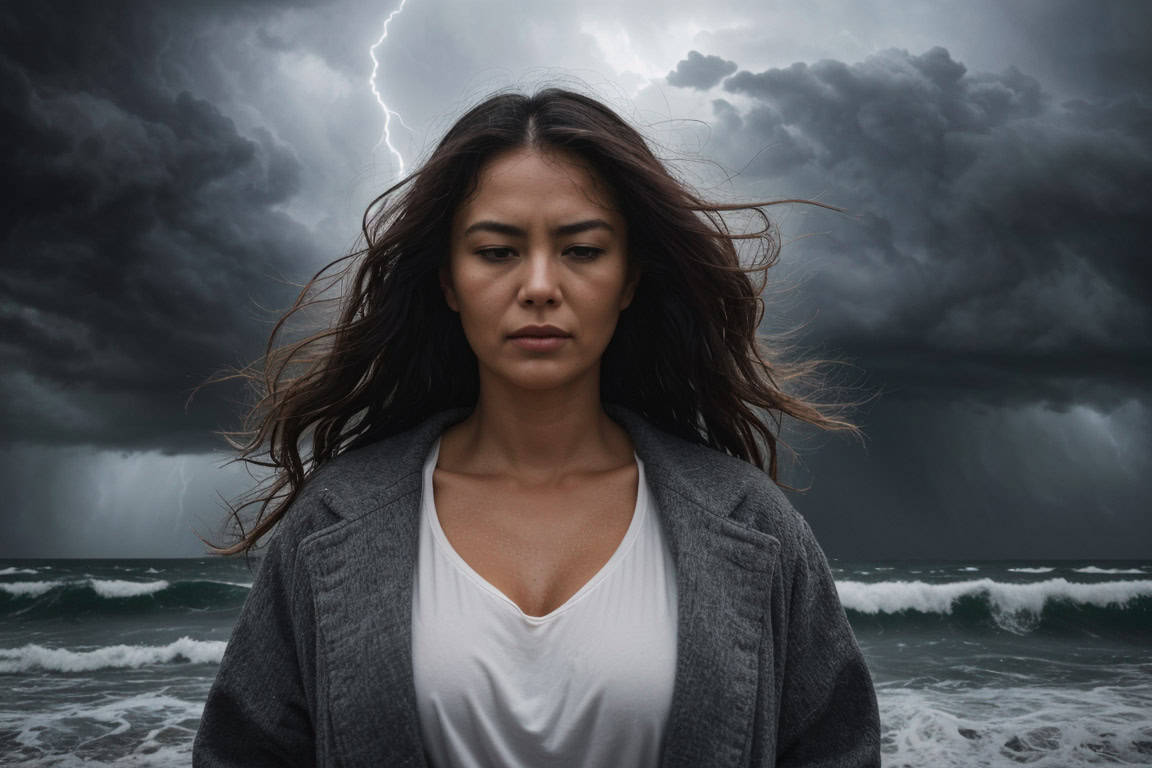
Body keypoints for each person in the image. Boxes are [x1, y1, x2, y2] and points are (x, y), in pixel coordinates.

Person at [192, 85, 881, 767]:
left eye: (582, 250)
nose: (541, 285)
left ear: (631, 278)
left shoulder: (751, 521)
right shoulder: (332, 522)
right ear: (448, 281)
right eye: (497, 251)